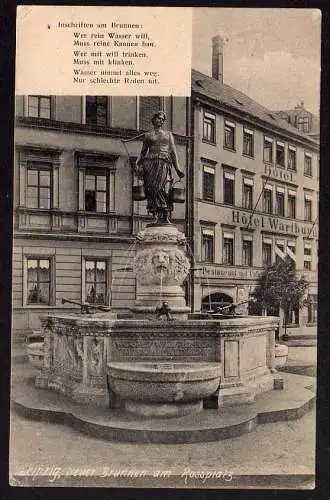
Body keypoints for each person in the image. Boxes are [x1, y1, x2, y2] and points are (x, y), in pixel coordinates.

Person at [135, 111, 184, 223]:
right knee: (152, 189)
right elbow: (143, 152)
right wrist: (137, 162)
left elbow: (173, 152)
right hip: (150, 164)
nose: (161, 120)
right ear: (154, 120)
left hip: (164, 164)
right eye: (158, 118)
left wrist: (178, 169)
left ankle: (166, 215)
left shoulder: (168, 135)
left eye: (162, 119)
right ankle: (155, 215)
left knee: (165, 189)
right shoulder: (148, 136)